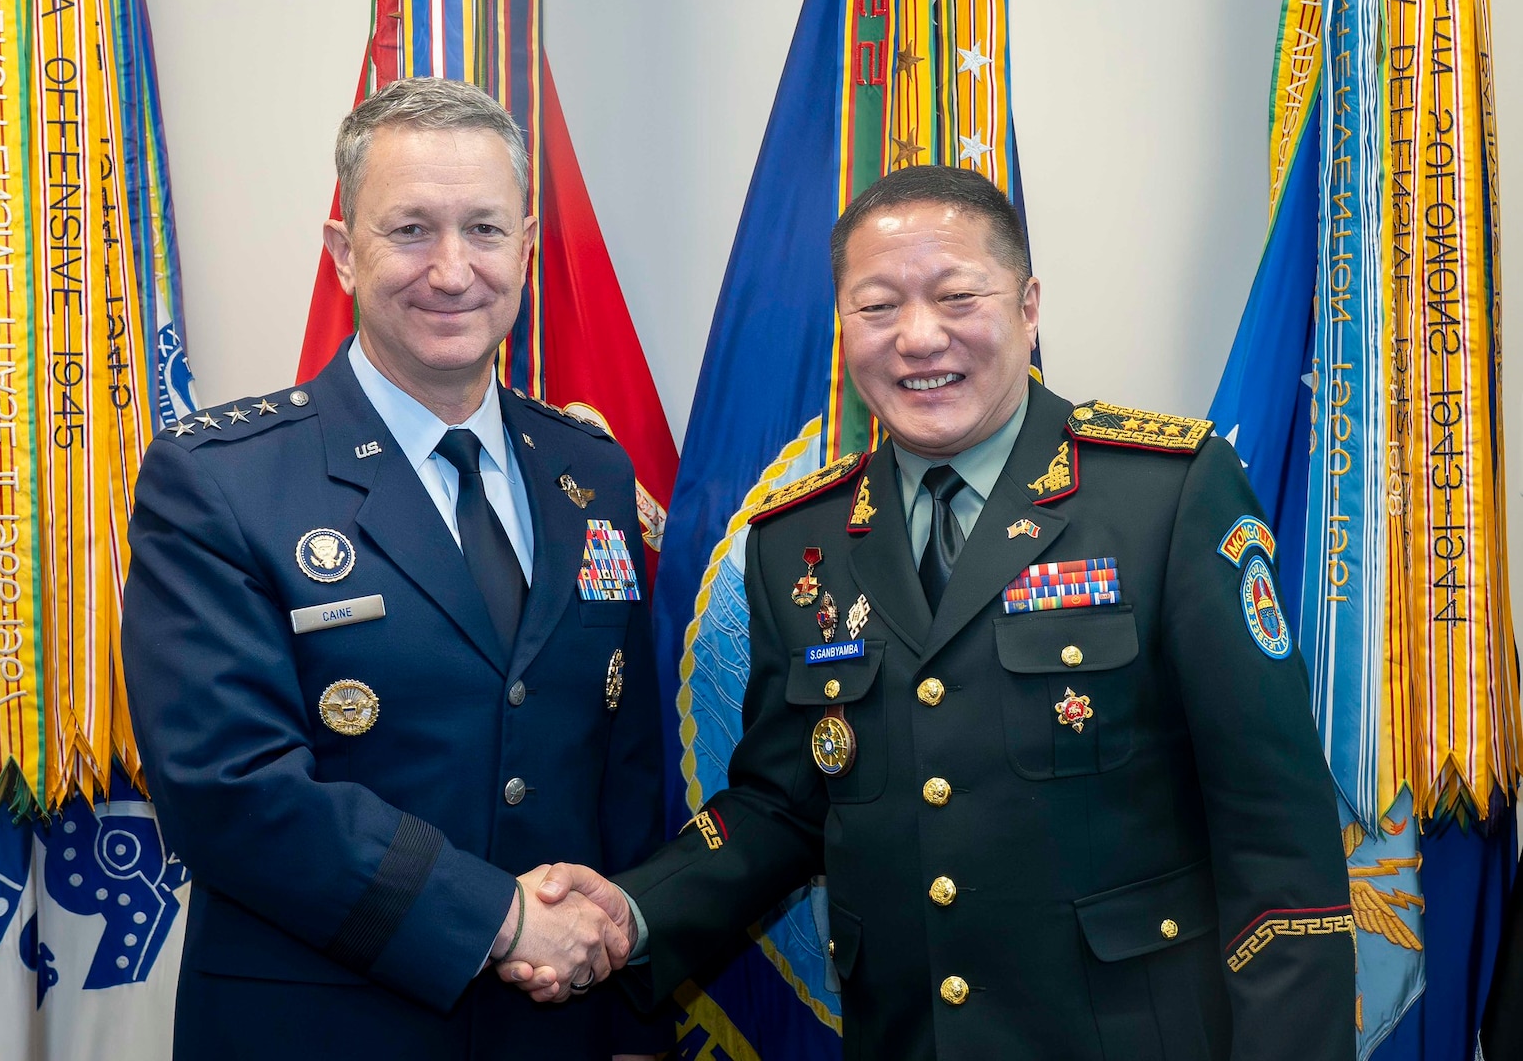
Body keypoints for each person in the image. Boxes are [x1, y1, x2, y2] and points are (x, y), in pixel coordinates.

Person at [505, 164, 1356, 1059]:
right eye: (877, 308)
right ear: (843, 328)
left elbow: (1277, 840)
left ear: (1028, 307)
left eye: (958, 296)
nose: (918, 337)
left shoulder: (1165, 497)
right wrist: (633, 909)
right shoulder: (800, 542)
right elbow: (783, 806)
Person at [121, 76, 666, 1061]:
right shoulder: (219, 483)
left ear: (528, 246)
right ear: (343, 254)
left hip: (556, 1030)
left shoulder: (589, 469)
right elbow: (229, 790)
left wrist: (629, 1003)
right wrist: (500, 917)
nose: (453, 270)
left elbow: (623, 765)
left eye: (486, 230)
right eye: (411, 229)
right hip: (321, 1027)